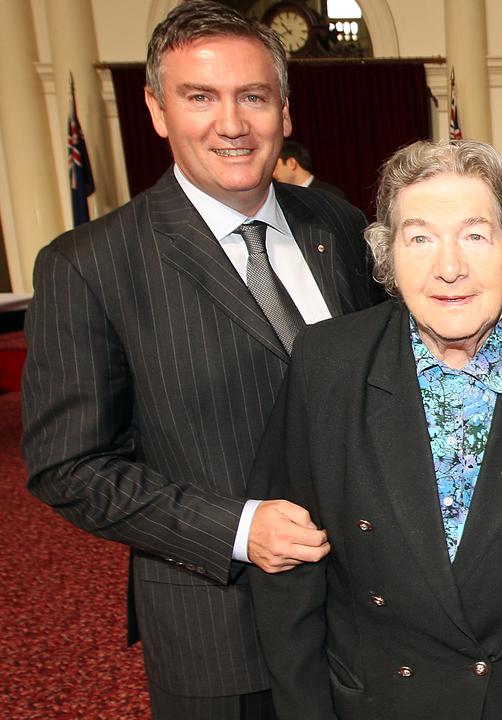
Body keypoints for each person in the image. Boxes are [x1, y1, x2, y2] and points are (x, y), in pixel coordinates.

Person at [21, 3, 375, 717]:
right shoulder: (90, 264)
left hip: (365, 618)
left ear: (284, 107)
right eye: (200, 97)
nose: (232, 123)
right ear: (156, 110)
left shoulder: (336, 224)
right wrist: (239, 529)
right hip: (221, 636)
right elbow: (69, 466)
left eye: (253, 96)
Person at [248, 139, 502, 719]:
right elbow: (289, 576)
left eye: (474, 234)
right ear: (387, 256)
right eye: (419, 238)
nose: (450, 267)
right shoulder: (326, 366)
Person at [273, 139, 348, 200]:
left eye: (275, 166)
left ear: (291, 163)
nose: (273, 174)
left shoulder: (332, 195)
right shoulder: (281, 199)